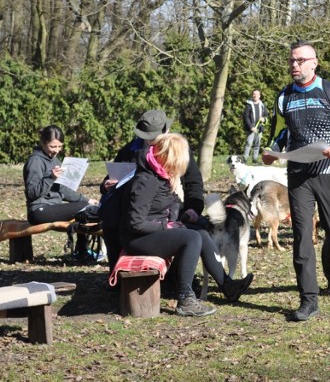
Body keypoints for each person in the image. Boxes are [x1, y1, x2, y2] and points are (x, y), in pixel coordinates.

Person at [262, 40, 330, 322]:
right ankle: (308, 299)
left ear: (314, 62)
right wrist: (270, 153)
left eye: (300, 60)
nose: (294, 65)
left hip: (329, 172)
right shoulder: (284, 97)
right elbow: (278, 135)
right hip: (299, 175)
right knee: (302, 237)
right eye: (291, 61)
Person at [120, 133, 253, 317]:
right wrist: (166, 226)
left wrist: (183, 216)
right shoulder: (146, 180)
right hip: (137, 238)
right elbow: (135, 223)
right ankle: (185, 299)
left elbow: (170, 203)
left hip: (155, 228)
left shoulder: (161, 173)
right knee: (191, 238)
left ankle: (227, 286)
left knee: (201, 232)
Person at [100, 109, 204, 276]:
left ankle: (187, 278)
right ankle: (117, 279)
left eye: (152, 137)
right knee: (111, 226)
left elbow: (194, 184)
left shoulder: (177, 150)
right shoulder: (129, 151)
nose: (149, 141)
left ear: (165, 131)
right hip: (133, 216)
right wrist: (106, 185)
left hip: (171, 210)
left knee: (201, 230)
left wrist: (194, 208)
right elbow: (111, 178)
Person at [23, 125, 98, 258]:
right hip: (39, 210)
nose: (56, 150)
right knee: (86, 210)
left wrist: (86, 200)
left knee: (88, 207)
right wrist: (50, 178)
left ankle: (82, 250)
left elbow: (62, 189)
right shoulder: (35, 161)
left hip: (52, 207)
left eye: (59, 147)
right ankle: (82, 252)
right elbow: (31, 193)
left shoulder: (55, 160)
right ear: (43, 143)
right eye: (53, 147)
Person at [243, 90, 268, 164]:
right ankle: (244, 159)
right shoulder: (248, 105)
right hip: (251, 129)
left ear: (259, 96)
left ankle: (255, 160)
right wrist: (251, 127)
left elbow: (266, 116)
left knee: (257, 145)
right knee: (248, 144)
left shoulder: (262, 105)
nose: (255, 96)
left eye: (257, 94)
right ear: (252, 95)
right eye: (254, 94)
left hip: (259, 129)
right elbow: (246, 117)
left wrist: (263, 119)